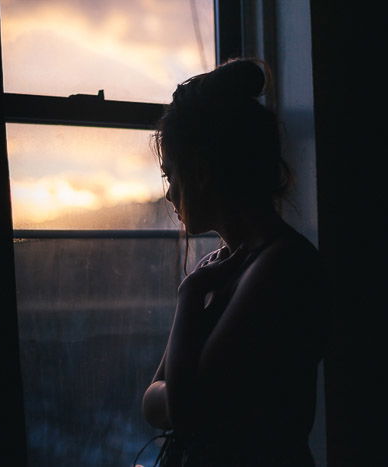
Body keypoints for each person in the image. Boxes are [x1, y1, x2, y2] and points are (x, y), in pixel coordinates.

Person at [139, 58, 327, 466]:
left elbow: (183, 412)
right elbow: (153, 400)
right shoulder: (229, 264)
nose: (170, 196)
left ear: (202, 173)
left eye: (171, 176)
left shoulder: (280, 268)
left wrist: (189, 297)